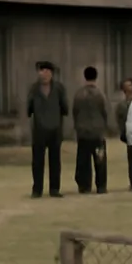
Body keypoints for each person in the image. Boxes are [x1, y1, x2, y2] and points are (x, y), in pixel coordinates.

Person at [26, 60, 68, 198]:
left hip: (55, 129)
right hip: (39, 130)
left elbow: (65, 108)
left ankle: (54, 188)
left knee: (55, 160)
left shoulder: (59, 88)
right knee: (37, 161)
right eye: (41, 71)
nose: (43, 74)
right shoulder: (34, 89)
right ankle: (37, 189)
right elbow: (28, 108)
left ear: (51, 73)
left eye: (46, 71)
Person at [72, 65, 108, 194]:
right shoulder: (100, 94)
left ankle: (84, 185)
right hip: (97, 133)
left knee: (84, 161)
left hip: (83, 133)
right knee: (100, 160)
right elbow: (104, 112)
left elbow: (75, 112)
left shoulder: (79, 95)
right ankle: (101, 185)